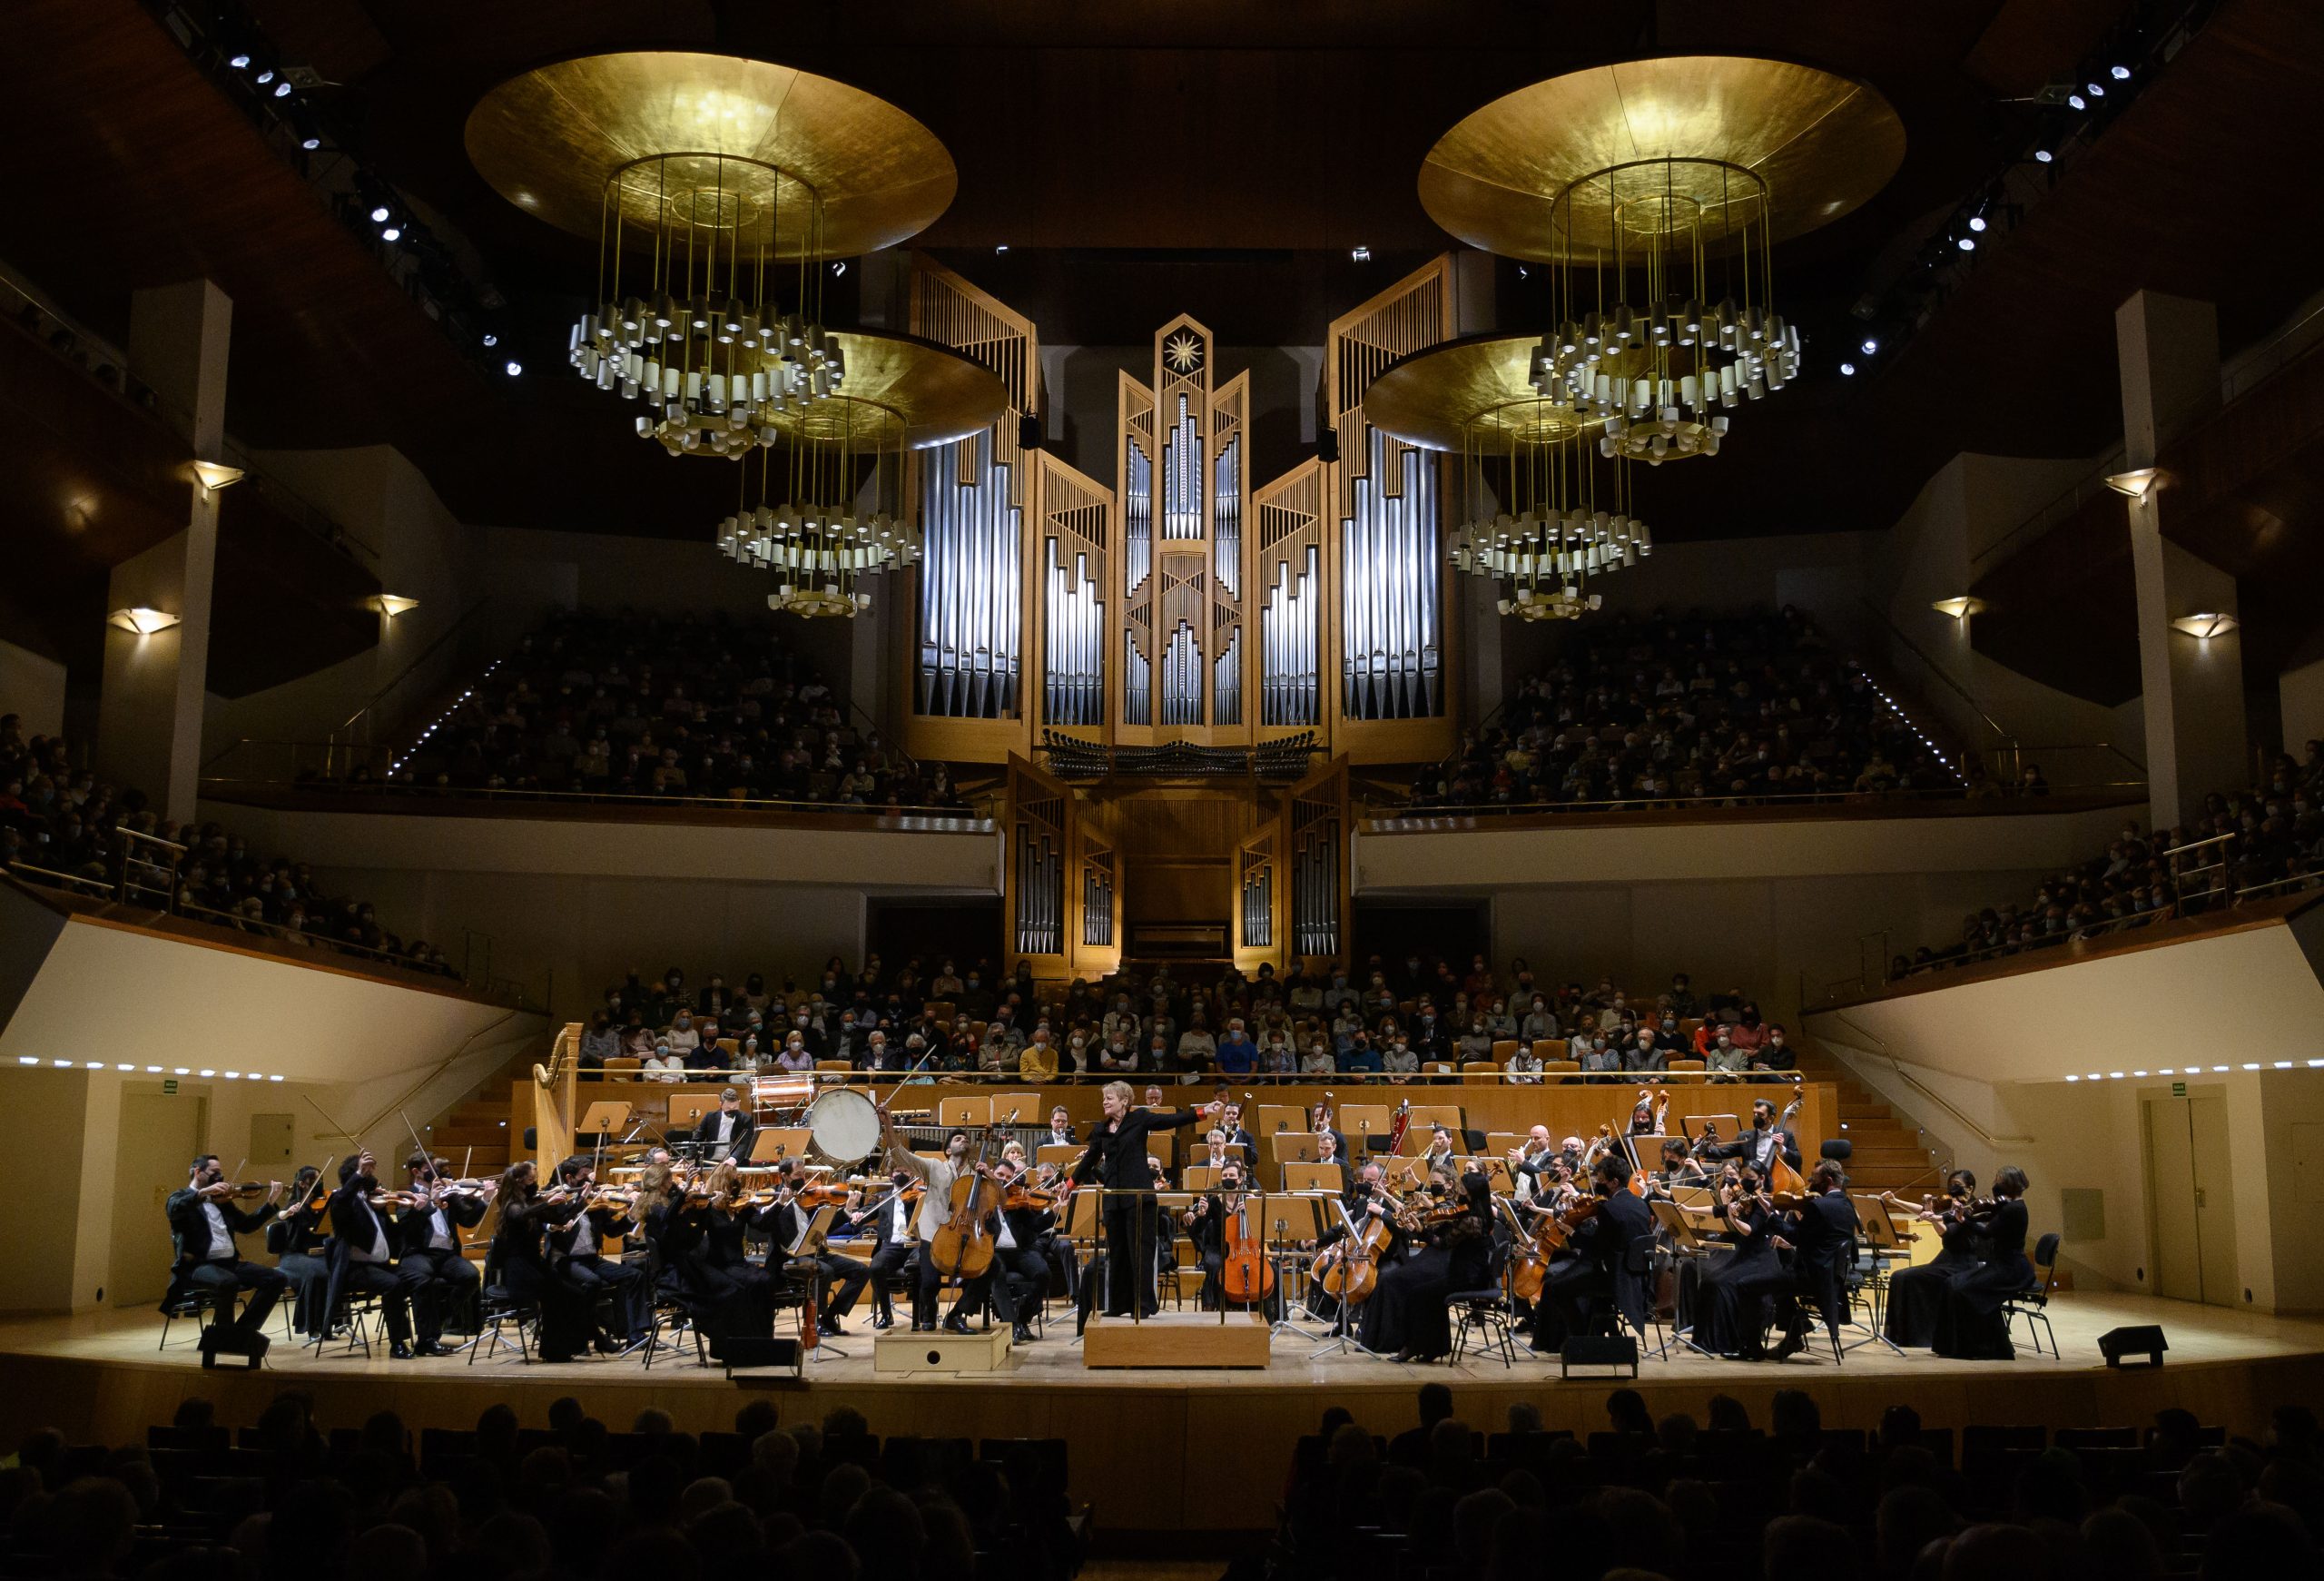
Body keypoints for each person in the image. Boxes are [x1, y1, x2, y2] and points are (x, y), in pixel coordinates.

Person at [1071, 1082, 1220, 1318]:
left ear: (1124, 1100)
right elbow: (1089, 1160)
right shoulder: (1102, 1129)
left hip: (1139, 1199)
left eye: (1110, 1098)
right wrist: (1069, 1185)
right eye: (1104, 1098)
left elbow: (1170, 1121)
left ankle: (1143, 1305)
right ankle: (1120, 1304)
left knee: (1139, 1252)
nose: (1105, 1102)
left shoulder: (1138, 1118)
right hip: (1114, 1199)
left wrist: (1202, 1112)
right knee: (1118, 1252)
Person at [1530, 1153, 1654, 1353]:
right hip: (1635, 1276)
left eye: (1601, 1180)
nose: (1596, 1183)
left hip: (1612, 1276)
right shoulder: (1640, 1204)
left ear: (1614, 1182)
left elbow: (1595, 1248)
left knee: (1554, 1286)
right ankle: (1585, 1333)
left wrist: (1572, 1231)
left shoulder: (1609, 1208)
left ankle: (1580, 1337)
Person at [1362, 1171, 1492, 1363]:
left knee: (1419, 1294)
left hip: (1469, 1275)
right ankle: (1434, 1348)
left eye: (1463, 1185)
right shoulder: (1468, 1212)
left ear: (1472, 1190)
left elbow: (1443, 1243)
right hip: (1461, 1271)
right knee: (1426, 1294)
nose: (1460, 1188)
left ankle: (1414, 1346)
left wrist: (1421, 1231)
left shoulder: (1473, 1220)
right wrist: (1420, 1229)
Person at [326, 1152, 445, 1359]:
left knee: (422, 1279)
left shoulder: (375, 1204)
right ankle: (397, 1343)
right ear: (357, 1175)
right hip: (355, 1269)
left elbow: (397, 1235)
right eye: (368, 1171)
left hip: (380, 1267)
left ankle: (426, 1340)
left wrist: (419, 1212)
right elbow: (341, 1203)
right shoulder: (342, 1200)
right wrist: (358, 1175)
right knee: (392, 1284)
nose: (373, 1175)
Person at [162, 1155, 287, 1334]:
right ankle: (223, 1334)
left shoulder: (223, 1203)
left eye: (220, 1173)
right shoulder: (181, 1197)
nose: (219, 1177)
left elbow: (247, 1225)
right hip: (198, 1265)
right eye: (214, 1172)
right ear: (198, 1172)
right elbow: (174, 1208)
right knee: (228, 1282)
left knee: (277, 1278)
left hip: (229, 1264)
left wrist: (270, 1202)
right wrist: (203, 1193)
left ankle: (242, 1332)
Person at [487, 1159, 596, 1362]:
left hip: (535, 1265)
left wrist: (581, 1198)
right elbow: (520, 1215)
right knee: (559, 1295)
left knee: (575, 1293)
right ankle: (556, 1351)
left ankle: (565, 1346)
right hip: (520, 1271)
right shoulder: (511, 1205)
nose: (535, 1184)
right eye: (531, 1180)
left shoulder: (533, 1203)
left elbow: (562, 1220)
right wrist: (547, 1202)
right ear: (520, 1181)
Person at [547, 1155, 650, 1350]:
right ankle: (591, 1333)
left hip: (591, 1259)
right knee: (591, 1282)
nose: (590, 1181)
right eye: (584, 1176)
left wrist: (631, 1216)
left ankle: (634, 1334)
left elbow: (612, 1232)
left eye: (590, 1176)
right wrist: (579, 1200)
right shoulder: (558, 1200)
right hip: (566, 1260)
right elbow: (555, 1220)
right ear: (570, 1178)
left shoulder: (595, 1203)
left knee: (634, 1275)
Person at [1932, 1163, 2034, 1359]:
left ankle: (1984, 1347)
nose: (1995, 1184)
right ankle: (1954, 1345)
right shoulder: (2007, 1205)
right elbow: (1990, 1219)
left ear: (2009, 1184)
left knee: (1966, 1291)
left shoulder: (2014, 1209)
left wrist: (1964, 1220)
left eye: (1999, 1180)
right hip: (2001, 1265)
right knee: (1952, 1283)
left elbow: (1987, 1232)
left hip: (2012, 1269)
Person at [1881, 1171, 1987, 1347]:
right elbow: (1923, 1210)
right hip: (1946, 1259)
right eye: (1951, 1184)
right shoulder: (1952, 1205)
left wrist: (1932, 1219)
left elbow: (1946, 1231)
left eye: (1958, 1186)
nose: (1953, 1189)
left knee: (1909, 1278)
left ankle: (1920, 1337)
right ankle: (1899, 1336)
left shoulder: (1970, 1210)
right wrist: (1894, 1200)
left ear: (1970, 1188)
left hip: (1962, 1264)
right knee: (1898, 1276)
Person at [396, 1151, 490, 1340]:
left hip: (446, 1254)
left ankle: (440, 1318)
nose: (437, 1174)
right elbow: (406, 1228)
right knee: (423, 1279)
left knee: (470, 1276)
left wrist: (485, 1199)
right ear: (417, 1172)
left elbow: (468, 1220)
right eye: (429, 1169)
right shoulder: (407, 1196)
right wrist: (429, 1202)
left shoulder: (448, 1195)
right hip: (419, 1253)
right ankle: (427, 1338)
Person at [263, 1165, 334, 1339]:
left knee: (335, 1269)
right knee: (314, 1274)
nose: (320, 1184)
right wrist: (287, 1213)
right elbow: (280, 1215)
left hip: (317, 1254)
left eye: (321, 1180)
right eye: (315, 1180)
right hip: (293, 1257)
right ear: (302, 1184)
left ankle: (332, 1324)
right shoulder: (294, 1204)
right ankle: (313, 1327)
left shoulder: (324, 1203)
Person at [695, 1087, 757, 1163]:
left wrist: (733, 1160)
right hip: (709, 1162)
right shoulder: (710, 1117)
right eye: (728, 1107)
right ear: (720, 1104)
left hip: (734, 1162)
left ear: (739, 1102)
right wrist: (688, 1159)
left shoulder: (746, 1119)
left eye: (735, 1107)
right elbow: (697, 1139)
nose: (731, 1109)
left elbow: (745, 1144)